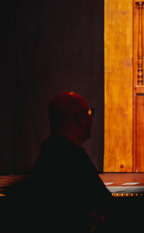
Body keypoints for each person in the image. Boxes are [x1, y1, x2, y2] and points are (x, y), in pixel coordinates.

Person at [22, 92, 112, 232]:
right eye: (88, 112)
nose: (91, 117)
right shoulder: (67, 160)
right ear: (80, 118)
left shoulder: (55, 152)